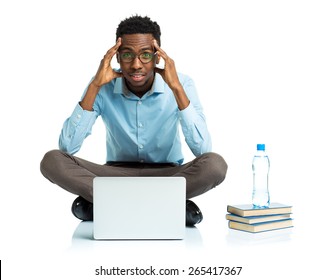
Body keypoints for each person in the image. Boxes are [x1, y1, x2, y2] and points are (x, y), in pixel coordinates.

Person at [40, 15, 228, 226]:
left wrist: (176, 89)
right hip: (114, 175)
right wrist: (94, 86)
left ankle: (107, 204)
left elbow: (203, 149)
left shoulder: (182, 83)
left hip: (168, 175)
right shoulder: (101, 85)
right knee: (52, 161)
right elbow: (67, 147)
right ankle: (168, 205)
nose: (136, 64)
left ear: (158, 57)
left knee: (215, 165)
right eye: (127, 54)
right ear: (117, 57)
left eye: (145, 55)